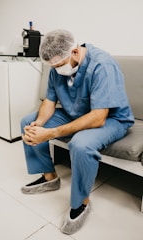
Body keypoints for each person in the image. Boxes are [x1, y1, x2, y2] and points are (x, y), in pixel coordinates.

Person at [21, 29, 134, 235]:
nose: (56, 70)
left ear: (74, 52)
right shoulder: (59, 66)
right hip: (77, 113)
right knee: (27, 121)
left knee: (81, 143)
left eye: (57, 65)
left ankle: (81, 202)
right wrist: (38, 124)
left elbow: (99, 116)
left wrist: (51, 132)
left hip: (111, 119)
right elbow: (50, 101)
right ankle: (49, 178)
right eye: (52, 67)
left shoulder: (102, 65)